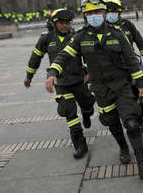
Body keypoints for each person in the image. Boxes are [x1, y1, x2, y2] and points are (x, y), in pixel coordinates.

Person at [45, 0, 143, 179]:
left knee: (132, 124)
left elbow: (131, 60)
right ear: (85, 15)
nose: (94, 15)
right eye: (90, 13)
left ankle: (142, 163)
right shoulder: (80, 36)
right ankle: (123, 148)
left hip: (121, 86)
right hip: (101, 90)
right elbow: (64, 56)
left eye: (98, 11)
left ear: (104, 13)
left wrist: (141, 84)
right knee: (112, 123)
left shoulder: (118, 33)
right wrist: (53, 72)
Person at [25, 9, 95, 159]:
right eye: (61, 23)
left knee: (88, 103)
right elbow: (35, 57)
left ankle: (87, 113)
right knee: (69, 112)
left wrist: (89, 71)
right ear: (54, 24)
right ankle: (80, 144)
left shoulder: (76, 37)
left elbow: (88, 56)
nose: (65, 26)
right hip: (61, 82)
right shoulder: (46, 39)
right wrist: (29, 76)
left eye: (67, 23)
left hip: (79, 80)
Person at [106, 0, 143, 132]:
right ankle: (128, 119)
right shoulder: (104, 28)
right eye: (108, 12)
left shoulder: (128, 25)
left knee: (139, 94)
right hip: (114, 69)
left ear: (119, 12)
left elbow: (140, 42)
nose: (111, 14)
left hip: (132, 65)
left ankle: (140, 120)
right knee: (122, 96)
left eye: (114, 12)